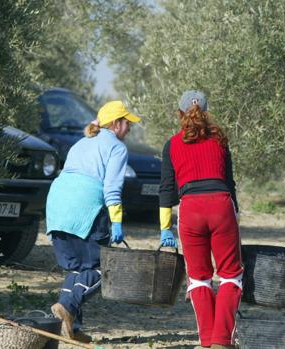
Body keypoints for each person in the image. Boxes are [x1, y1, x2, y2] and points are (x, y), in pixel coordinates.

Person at [46, 101, 140, 343]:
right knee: (103, 268)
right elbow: (112, 188)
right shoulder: (117, 147)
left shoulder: (81, 143)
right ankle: (67, 305)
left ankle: (72, 328)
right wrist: (117, 220)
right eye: (126, 122)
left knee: (77, 269)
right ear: (116, 124)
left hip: (57, 205)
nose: (129, 127)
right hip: (86, 207)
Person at [158, 90, 242, 349]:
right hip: (221, 207)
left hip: (190, 210)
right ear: (206, 112)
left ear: (180, 113)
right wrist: (234, 216)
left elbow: (167, 190)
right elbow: (230, 183)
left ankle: (206, 341)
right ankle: (222, 340)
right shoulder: (220, 140)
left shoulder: (172, 144)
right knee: (231, 276)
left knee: (199, 279)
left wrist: (165, 228)